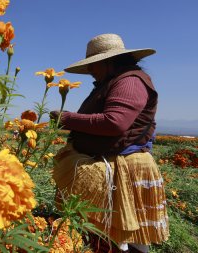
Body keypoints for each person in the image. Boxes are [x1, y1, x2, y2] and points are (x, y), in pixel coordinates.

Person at [50, 34, 169, 253]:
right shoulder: (113, 81)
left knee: (123, 233)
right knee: (115, 232)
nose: (91, 72)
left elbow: (114, 123)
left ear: (108, 61)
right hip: (113, 162)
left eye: (93, 66)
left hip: (125, 166)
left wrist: (66, 118)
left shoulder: (130, 81)